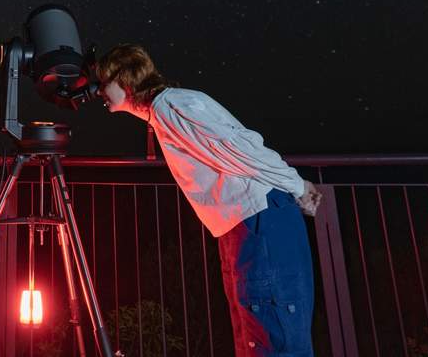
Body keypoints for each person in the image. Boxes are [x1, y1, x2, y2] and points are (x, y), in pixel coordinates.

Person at [97, 44, 322, 357]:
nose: (98, 91)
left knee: (276, 341)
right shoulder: (165, 111)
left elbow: (242, 148)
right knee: (257, 340)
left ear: (123, 78)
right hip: (244, 225)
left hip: (259, 221)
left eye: (101, 81)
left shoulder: (172, 106)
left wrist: (298, 185)